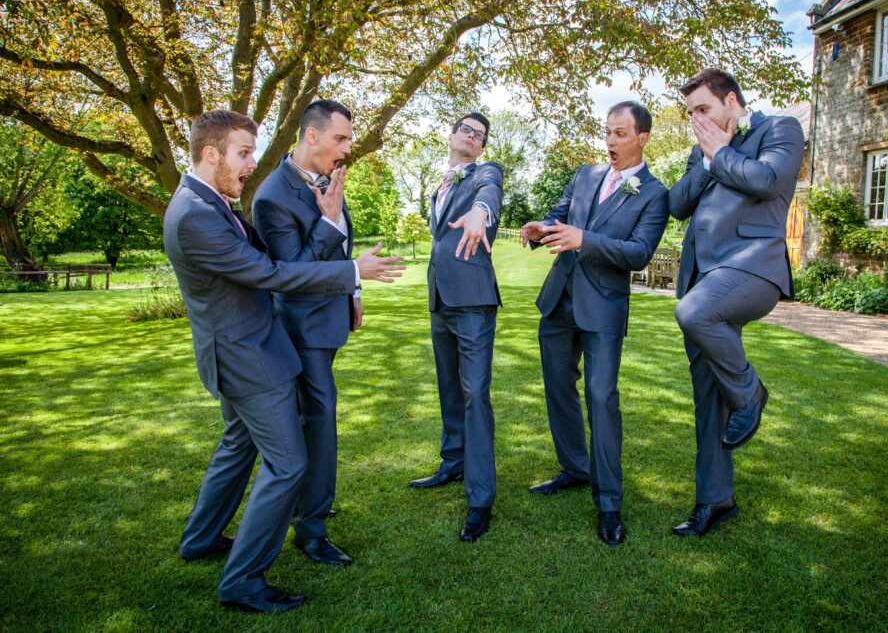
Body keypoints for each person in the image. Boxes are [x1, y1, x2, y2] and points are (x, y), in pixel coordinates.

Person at [166, 110, 402, 613]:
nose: (253, 163)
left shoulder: (206, 202)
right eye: (243, 153)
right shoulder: (195, 216)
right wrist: (350, 271)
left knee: (238, 446)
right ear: (211, 154)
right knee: (289, 463)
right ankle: (243, 582)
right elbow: (272, 273)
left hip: (242, 348)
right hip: (250, 356)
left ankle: (201, 538)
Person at [520, 101, 668, 546]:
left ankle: (609, 504)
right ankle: (574, 468)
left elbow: (639, 253)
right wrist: (540, 229)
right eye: (607, 132)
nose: (610, 141)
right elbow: (560, 214)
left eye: (620, 133)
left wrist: (585, 239)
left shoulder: (654, 193)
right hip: (559, 300)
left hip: (603, 308)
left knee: (602, 399)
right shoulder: (585, 175)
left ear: (642, 138)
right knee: (557, 388)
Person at [668, 68, 803, 537]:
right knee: (708, 395)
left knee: (694, 313)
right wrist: (706, 161)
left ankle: (751, 392)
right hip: (700, 274)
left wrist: (721, 152)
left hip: (751, 266)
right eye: (690, 114)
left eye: (702, 109)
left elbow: (767, 180)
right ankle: (715, 499)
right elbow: (677, 204)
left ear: (732, 102)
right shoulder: (700, 152)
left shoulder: (780, 129)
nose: (696, 121)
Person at [252, 99, 361, 567]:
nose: (347, 148)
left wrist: (352, 291)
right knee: (319, 420)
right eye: (341, 138)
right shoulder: (272, 196)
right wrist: (329, 219)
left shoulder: (326, 178)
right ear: (311, 136)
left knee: (313, 420)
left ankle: (308, 503)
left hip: (329, 318)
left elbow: (340, 244)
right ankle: (311, 529)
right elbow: (291, 270)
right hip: (301, 328)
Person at [408, 112, 504, 542]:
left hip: (474, 301)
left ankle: (480, 498)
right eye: (465, 129)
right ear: (451, 134)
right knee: (449, 387)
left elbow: (489, 194)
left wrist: (481, 212)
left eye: (479, 135)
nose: (470, 136)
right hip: (440, 300)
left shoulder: (486, 172)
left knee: (475, 393)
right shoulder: (442, 182)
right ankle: (452, 462)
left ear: (482, 147)